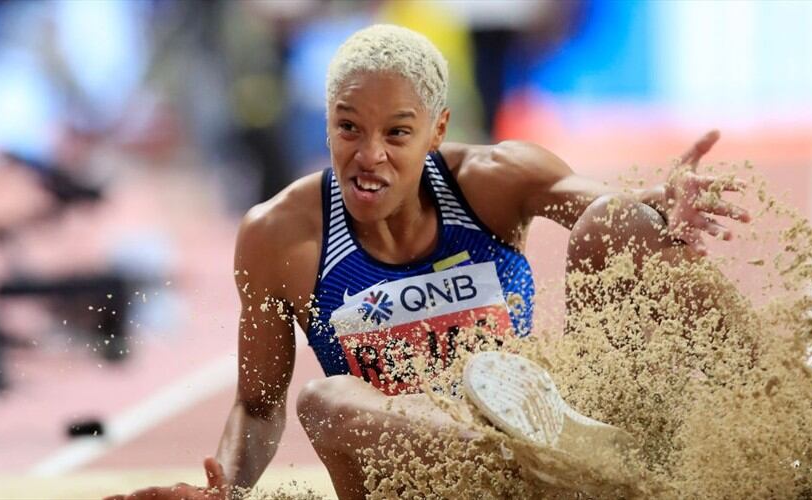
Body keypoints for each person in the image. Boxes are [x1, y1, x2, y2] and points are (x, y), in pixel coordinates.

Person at [108, 24, 749, 500]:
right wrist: (227, 491)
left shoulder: (492, 180)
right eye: (349, 127)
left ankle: (795, 425)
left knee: (619, 225)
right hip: (413, 482)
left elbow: (603, 206)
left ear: (437, 130)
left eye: (396, 133)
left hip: (548, 440)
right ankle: (565, 469)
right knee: (325, 398)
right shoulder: (280, 235)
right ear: (328, 125)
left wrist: (657, 206)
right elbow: (258, 405)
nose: (369, 156)